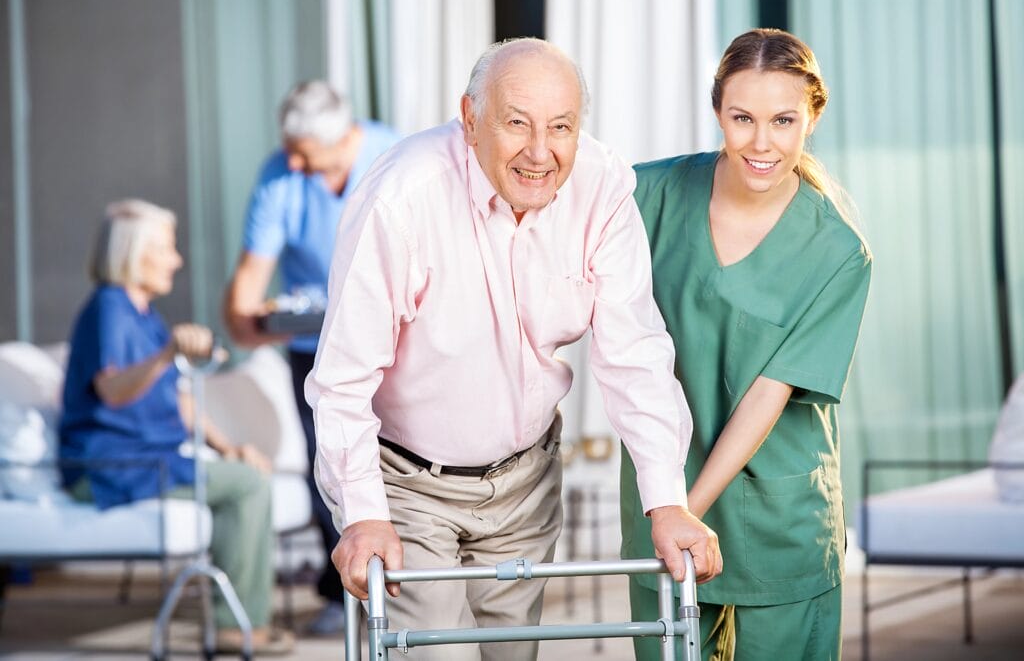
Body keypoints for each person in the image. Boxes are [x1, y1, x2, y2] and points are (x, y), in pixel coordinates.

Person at [306, 38, 722, 661]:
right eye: (517, 124)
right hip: (410, 485)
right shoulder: (402, 198)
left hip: (527, 480)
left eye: (561, 127)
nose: (540, 151)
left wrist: (667, 502)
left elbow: (635, 354)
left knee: (513, 654)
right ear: (471, 121)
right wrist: (363, 514)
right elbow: (342, 378)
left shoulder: (602, 186)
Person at [621, 28, 872, 660]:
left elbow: (768, 394)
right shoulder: (645, 195)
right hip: (663, 510)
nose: (762, 142)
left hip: (777, 525)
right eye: (743, 118)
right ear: (717, 114)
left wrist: (681, 511)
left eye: (783, 120)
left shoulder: (838, 252)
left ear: (812, 117)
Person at [59, 199, 292, 654]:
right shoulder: (109, 308)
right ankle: (233, 627)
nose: (177, 260)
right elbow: (112, 390)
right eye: (166, 248)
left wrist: (229, 448)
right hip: (112, 467)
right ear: (132, 252)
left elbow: (181, 400)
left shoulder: (144, 315)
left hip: (150, 462)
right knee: (247, 486)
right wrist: (167, 354)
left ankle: (237, 617)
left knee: (246, 474)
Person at [223, 80, 400, 635]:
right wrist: (262, 318)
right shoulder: (281, 175)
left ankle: (406, 582)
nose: (293, 161)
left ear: (346, 136)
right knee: (332, 467)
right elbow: (244, 302)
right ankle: (341, 592)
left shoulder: (392, 157)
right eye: (289, 148)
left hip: (395, 341)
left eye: (305, 151)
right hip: (316, 347)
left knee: (399, 458)